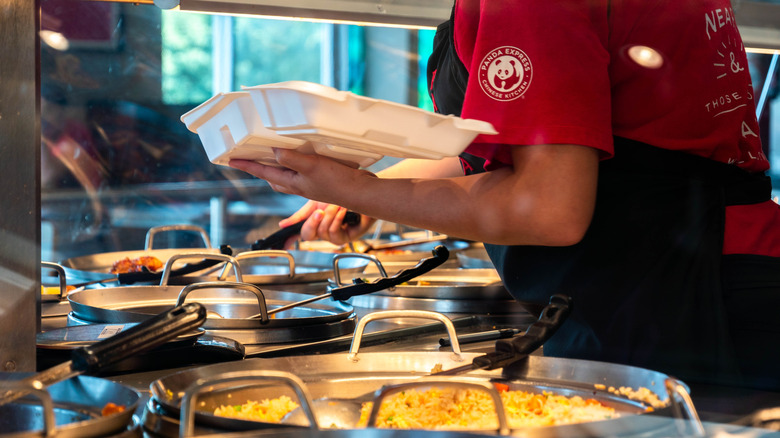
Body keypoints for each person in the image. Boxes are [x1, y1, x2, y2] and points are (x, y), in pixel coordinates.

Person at [229, 0, 780, 391]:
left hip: (689, 301)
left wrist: (360, 188)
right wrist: (364, 197)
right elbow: (538, 152)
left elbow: (549, 208)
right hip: (702, 276)